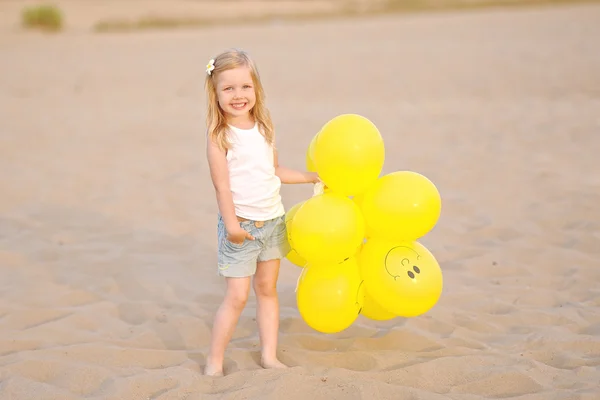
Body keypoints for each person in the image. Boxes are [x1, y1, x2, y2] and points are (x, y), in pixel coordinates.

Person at [204, 48, 319, 376]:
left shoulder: (264, 127)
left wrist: (311, 177)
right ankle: (214, 361)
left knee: (267, 290)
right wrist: (232, 226)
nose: (238, 95)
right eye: (228, 88)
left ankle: (269, 355)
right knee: (237, 297)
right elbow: (222, 188)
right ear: (215, 94)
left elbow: (275, 170)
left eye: (245, 87)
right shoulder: (219, 137)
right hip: (240, 226)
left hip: (273, 222)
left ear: (256, 89)